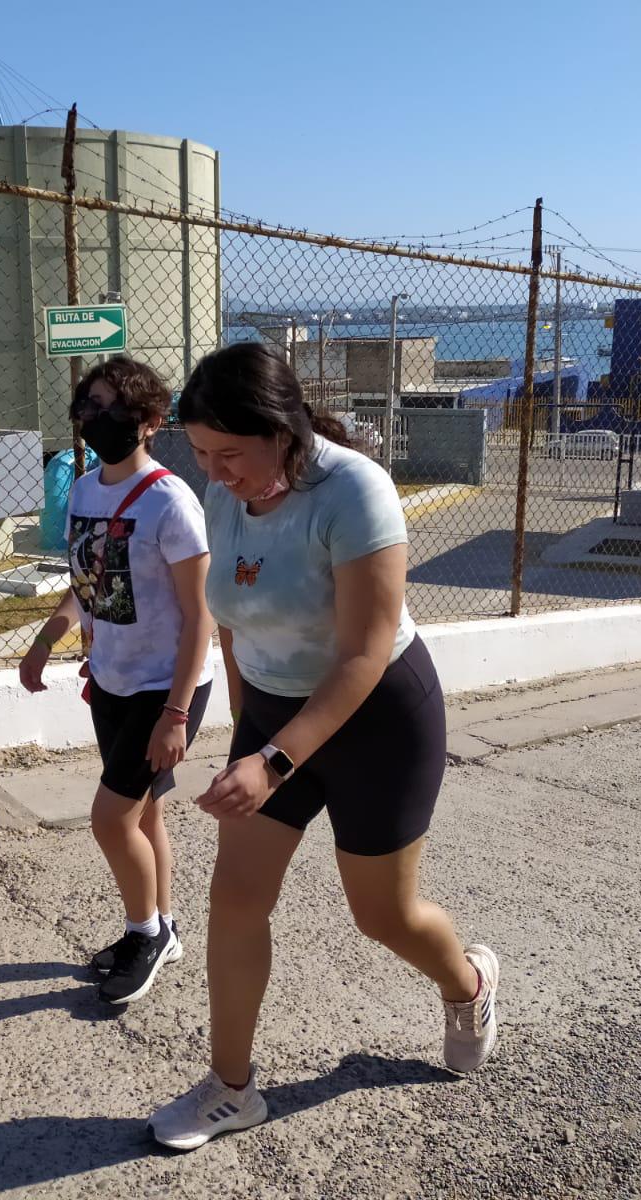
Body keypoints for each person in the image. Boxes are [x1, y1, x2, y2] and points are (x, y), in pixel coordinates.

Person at [148, 341, 500, 1150]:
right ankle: (231, 1089)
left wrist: (273, 761)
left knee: (383, 915)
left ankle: (469, 980)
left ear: (282, 429)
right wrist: (248, 736)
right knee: (235, 901)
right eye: (200, 453)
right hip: (275, 715)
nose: (214, 470)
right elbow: (233, 622)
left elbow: (364, 654)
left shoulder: (354, 490)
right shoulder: (227, 486)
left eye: (227, 453)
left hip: (376, 716)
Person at [20, 356, 213, 1005]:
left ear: (152, 421)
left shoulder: (171, 502)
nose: (99, 418)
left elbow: (199, 617)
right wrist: (46, 641)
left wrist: (177, 714)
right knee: (144, 811)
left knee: (109, 818)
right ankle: (165, 926)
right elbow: (88, 585)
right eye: (89, 406)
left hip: (166, 689)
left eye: (115, 408)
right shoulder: (82, 491)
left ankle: (144, 934)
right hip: (112, 680)